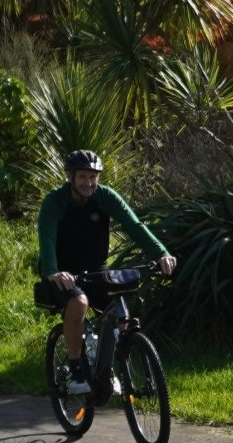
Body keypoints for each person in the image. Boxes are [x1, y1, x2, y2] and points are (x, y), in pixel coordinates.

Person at [35, 150, 174, 397]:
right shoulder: (55, 201)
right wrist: (52, 271)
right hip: (63, 272)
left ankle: (107, 371)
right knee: (79, 302)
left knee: (120, 313)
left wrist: (160, 253)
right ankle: (76, 368)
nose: (88, 183)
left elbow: (135, 226)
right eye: (82, 177)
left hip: (96, 269)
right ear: (70, 177)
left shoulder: (106, 197)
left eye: (93, 177)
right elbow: (46, 237)